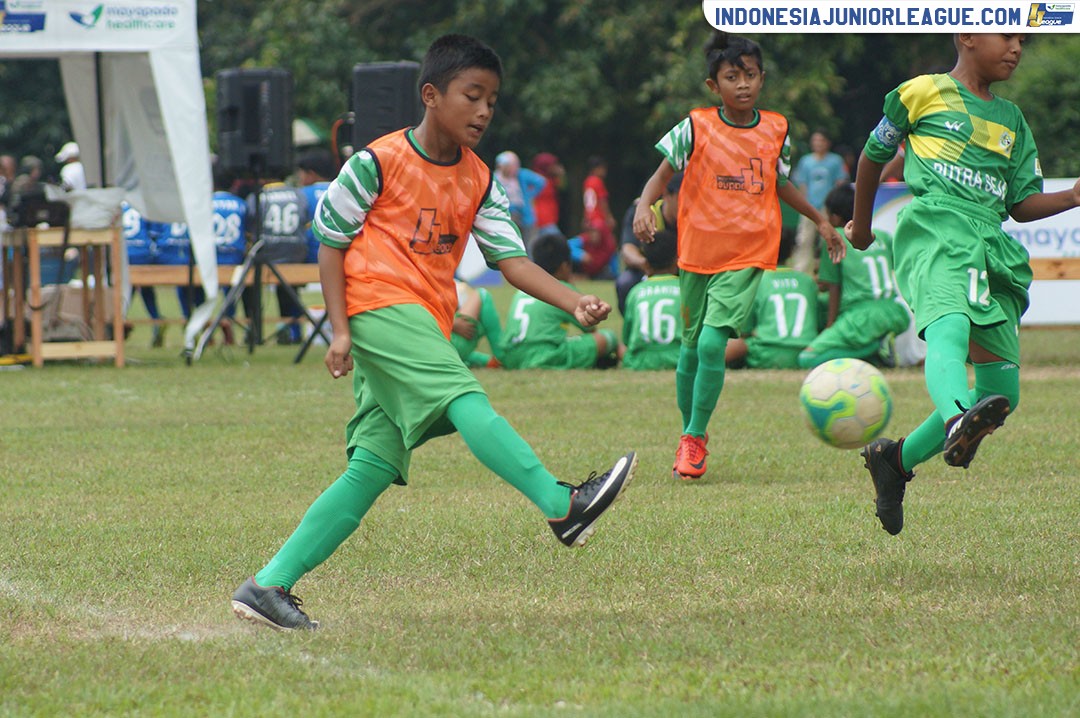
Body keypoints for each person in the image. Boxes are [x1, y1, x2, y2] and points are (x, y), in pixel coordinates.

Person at [230, 34, 636, 631]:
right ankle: (561, 506)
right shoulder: (375, 161)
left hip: (422, 319)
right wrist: (339, 330)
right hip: (378, 307)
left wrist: (575, 301)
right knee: (464, 395)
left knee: (371, 466)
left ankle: (268, 585)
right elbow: (331, 244)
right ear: (431, 94)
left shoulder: (479, 179)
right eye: (472, 96)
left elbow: (511, 261)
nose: (482, 112)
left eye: (492, 102)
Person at [847, 32, 1080, 536]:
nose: (1018, 47)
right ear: (968, 35)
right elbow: (870, 157)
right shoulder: (921, 92)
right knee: (948, 325)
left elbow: (1020, 204)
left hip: (990, 244)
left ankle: (894, 460)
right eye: (1007, 35)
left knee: (1002, 390)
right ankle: (956, 420)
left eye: (1023, 38)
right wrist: (862, 227)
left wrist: (1073, 196)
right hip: (935, 228)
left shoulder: (1013, 120)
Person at [633, 31, 844, 481]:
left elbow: (781, 182)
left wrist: (821, 219)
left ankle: (695, 436)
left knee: (712, 342)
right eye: (732, 77)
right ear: (715, 86)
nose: (743, 85)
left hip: (748, 251)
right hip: (696, 252)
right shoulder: (694, 126)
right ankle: (687, 432)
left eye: (750, 75)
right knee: (689, 349)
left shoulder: (777, 129)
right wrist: (641, 206)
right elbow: (661, 175)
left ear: (762, 79)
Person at [797, 184, 910, 369]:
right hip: (895, 311)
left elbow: (833, 286)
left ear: (834, 217)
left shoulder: (835, 237)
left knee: (807, 358)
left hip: (862, 315)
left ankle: (875, 349)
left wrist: (831, 324)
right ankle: (878, 354)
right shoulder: (882, 236)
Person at [500, 231, 619, 369]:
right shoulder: (563, 290)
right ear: (565, 266)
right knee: (608, 337)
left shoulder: (522, 291)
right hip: (544, 356)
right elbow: (590, 327)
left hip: (510, 358)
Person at [725, 231, 820, 370]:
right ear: (791, 252)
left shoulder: (757, 281)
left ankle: (699, 364)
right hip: (806, 353)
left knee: (729, 342)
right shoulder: (808, 281)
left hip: (766, 353)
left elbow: (743, 330)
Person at [247, 177, 309, 344]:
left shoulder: (257, 196)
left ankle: (252, 330)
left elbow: (250, 223)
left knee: (249, 289)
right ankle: (292, 331)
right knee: (290, 292)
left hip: (267, 254)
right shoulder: (299, 195)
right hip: (294, 254)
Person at [616, 172, 682, 315]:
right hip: (650, 270)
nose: (687, 204)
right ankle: (635, 324)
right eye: (682, 198)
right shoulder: (645, 213)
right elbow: (628, 249)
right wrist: (646, 264)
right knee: (626, 283)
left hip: (685, 271)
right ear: (666, 194)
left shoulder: (695, 217)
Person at [621, 229, 682, 371]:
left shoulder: (636, 292)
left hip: (640, 361)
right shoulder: (684, 290)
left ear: (646, 263)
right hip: (679, 358)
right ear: (677, 261)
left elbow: (627, 338)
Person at [791, 130, 848, 275]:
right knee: (804, 239)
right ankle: (801, 272)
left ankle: (827, 271)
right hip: (809, 206)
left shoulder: (835, 161)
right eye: (815, 140)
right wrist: (804, 204)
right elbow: (802, 184)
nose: (818, 144)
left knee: (827, 240)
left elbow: (840, 182)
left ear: (827, 143)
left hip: (827, 208)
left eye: (821, 140)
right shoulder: (806, 161)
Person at [494, 150, 546, 245]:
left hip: (525, 216)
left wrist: (530, 195)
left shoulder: (521, 174)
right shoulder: (495, 178)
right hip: (507, 215)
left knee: (529, 243)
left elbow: (541, 181)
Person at [451, 279, 503, 368]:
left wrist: (487, 361)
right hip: (443, 339)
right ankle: (503, 355)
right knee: (482, 295)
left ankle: (499, 357)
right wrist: (451, 323)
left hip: (439, 348)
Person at [297, 149, 336, 263]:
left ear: (311, 174)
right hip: (339, 260)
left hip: (309, 262)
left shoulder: (301, 194)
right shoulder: (342, 191)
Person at [530, 152, 565, 236]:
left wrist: (561, 175)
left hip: (548, 220)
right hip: (543, 221)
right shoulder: (537, 181)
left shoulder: (549, 179)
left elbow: (563, 186)